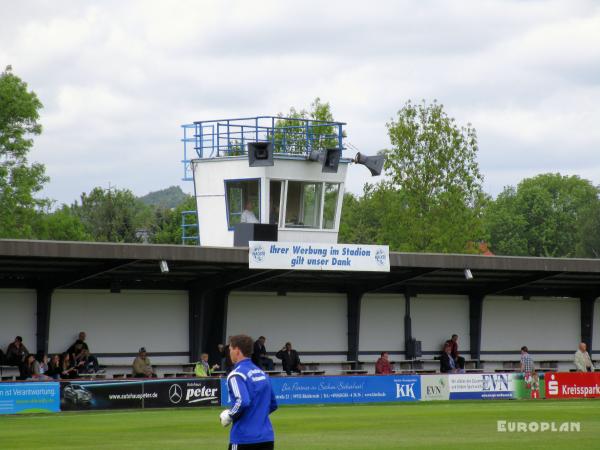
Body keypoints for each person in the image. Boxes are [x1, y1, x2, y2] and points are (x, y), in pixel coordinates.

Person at [219, 334, 277, 450]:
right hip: (266, 438)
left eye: (230, 349)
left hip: (244, 438)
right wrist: (257, 416)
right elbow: (273, 404)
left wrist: (229, 415)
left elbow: (242, 401)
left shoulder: (236, 374)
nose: (229, 352)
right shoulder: (261, 373)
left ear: (237, 350)